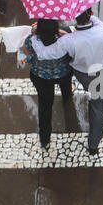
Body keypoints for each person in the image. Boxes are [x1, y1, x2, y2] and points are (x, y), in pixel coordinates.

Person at [31, 9, 103, 156]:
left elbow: (44, 53)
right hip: (102, 74)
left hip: (81, 73)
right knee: (99, 108)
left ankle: (45, 140)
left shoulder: (68, 40)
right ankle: (93, 145)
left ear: (74, 19)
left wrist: (33, 37)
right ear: (91, 13)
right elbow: (95, 21)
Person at [22, 19, 74, 150]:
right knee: (66, 87)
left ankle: (44, 139)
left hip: (41, 77)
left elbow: (27, 53)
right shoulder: (65, 35)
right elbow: (73, 50)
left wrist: (34, 32)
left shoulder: (31, 39)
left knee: (45, 107)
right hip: (63, 73)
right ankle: (67, 97)